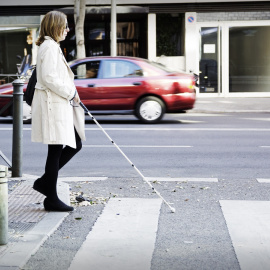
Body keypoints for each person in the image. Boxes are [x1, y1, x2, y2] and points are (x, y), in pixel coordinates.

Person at [31, 11, 86, 212]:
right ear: (55, 27)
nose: (68, 30)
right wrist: (71, 93)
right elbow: (49, 78)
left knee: (66, 146)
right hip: (52, 105)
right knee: (61, 148)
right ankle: (50, 196)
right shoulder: (50, 47)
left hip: (54, 104)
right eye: (65, 26)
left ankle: (46, 186)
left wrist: (72, 93)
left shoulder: (50, 46)